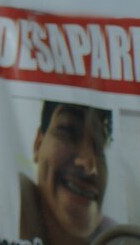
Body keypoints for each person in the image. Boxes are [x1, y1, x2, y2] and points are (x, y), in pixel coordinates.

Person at [20, 101, 115, 245]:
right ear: (38, 144)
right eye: (68, 131)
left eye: (99, 147)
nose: (89, 165)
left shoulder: (117, 237)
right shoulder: (12, 200)